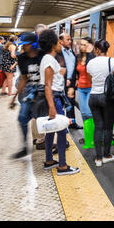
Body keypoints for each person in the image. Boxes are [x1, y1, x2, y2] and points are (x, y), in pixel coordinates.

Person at [39, 29, 79, 175]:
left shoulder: (48, 59)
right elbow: (47, 85)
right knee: (61, 132)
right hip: (54, 99)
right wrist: (52, 107)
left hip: (54, 98)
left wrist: (61, 74)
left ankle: (49, 160)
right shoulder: (49, 60)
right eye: (57, 41)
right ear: (53, 44)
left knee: (50, 131)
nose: (59, 44)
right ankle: (62, 166)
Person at [87, 39, 114, 166]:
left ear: (96, 49)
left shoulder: (90, 63)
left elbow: (91, 80)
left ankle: (98, 159)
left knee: (98, 127)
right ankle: (107, 155)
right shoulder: (112, 61)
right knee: (108, 127)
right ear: (106, 50)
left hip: (93, 97)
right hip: (107, 98)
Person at [10, 32, 44, 159]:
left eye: (26, 44)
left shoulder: (43, 55)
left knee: (46, 119)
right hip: (30, 91)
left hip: (44, 90)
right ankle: (25, 147)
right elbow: (24, 78)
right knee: (22, 118)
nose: (23, 47)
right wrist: (14, 97)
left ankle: (50, 144)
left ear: (33, 44)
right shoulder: (22, 58)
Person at [57, 33, 82, 130]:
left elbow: (74, 67)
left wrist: (75, 78)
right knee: (59, 103)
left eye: (70, 39)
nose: (70, 41)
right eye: (67, 39)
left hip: (71, 82)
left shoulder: (72, 52)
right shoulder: (58, 52)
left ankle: (72, 123)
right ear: (61, 41)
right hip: (60, 82)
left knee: (71, 102)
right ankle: (61, 125)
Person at [73, 37, 95, 144]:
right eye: (81, 44)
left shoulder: (93, 58)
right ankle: (87, 137)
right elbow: (76, 72)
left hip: (91, 87)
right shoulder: (77, 57)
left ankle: (91, 136)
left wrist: (90, 53)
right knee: (84, 113)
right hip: (81, 89)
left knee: (89, 113)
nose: (82, 47)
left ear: (90, 45)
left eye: (84, 44)